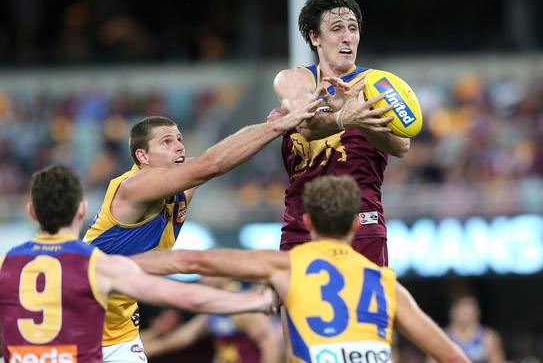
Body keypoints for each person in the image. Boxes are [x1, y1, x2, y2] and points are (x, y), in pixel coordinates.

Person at [133, 175, 470, 363]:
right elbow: (454, 358)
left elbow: (193, 260)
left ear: (307, 222)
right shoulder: (387, 285)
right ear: (356, 223)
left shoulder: (287, 267)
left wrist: (113, 264)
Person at [83, 99, 319, 361]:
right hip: (81, 319)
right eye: (166, 142)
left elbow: (221, 156)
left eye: (179, 139)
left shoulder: (181, 189)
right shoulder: (133, 187)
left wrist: (269, 128)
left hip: (121, 330)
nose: (179, 146)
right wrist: (275, 128)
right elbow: (213, 163)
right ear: (143, 157)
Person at [0, 165, 275, 363]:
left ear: (32, 212)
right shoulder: (99, 265)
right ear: (81, 210)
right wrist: (254, 301)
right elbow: (187, 296)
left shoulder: (6, 264)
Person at [272, 0, 411, 267]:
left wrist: (358, 117)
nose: (347, 37)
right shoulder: (295, 80)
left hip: (362, 220)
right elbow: (305, 125)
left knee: (366, 310)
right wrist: (344, 116)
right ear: (315, 37)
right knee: (298, 310)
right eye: (337, 28)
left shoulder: (379, 86)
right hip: (301, 224)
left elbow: (401, 146)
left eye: (353, 28)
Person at [143, 280, 283, 363]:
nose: (202, 278)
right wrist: (130, 351)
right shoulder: (213, 311)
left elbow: (272, 348)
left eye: (206, 272)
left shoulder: (243, 305)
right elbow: (172, 342)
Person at [439, 296, 506, 363]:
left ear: (477, 313)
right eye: (461, 310)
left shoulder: (488, 337)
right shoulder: (442, 337)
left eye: (467, 310)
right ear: (452, 312)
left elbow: (497, 360)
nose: (464, 314)